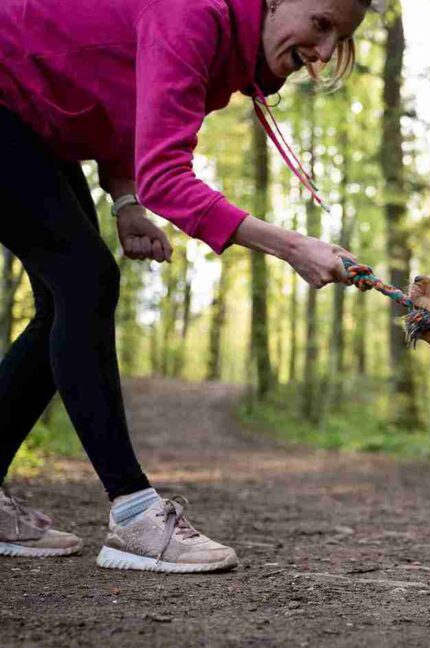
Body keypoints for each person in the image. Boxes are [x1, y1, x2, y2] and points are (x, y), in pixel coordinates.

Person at [0, 0, 377, 572]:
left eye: (339, 40)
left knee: (71, 291)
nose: (323, 53)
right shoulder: (194, 14)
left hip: (31, 117)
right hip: (10, 99)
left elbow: (118, 103)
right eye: (321, 25)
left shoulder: (223, 49)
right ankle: (133, 515)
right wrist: (294, 247)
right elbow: (169, 178)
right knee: (84, 281)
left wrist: (125, 201)